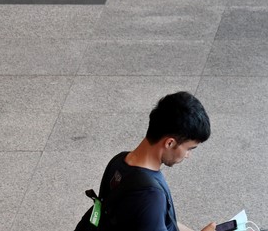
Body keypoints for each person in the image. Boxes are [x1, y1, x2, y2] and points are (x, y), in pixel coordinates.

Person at [75, 91, 215, 231]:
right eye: (189, 148)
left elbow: (159, 220)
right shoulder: (151, 195)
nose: (188, 155)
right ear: (170, 143)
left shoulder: (119, 161)